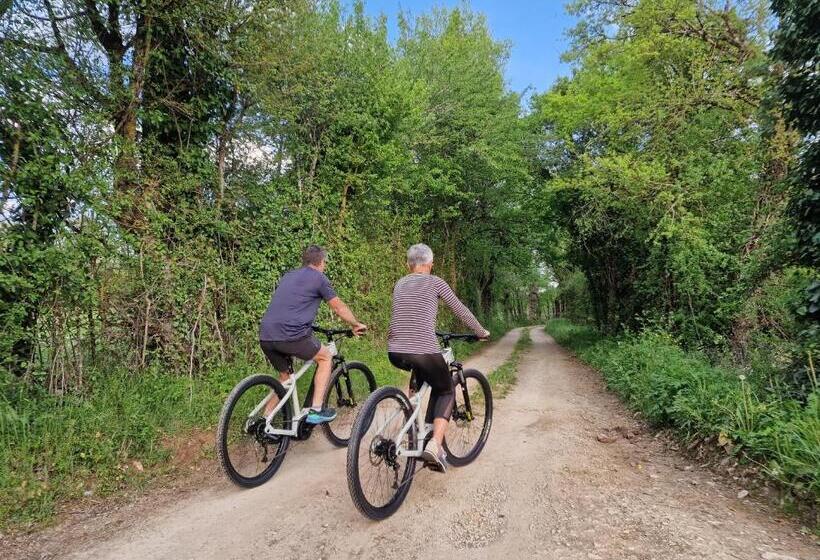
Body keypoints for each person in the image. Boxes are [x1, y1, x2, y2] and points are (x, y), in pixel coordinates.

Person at [387, 243, 490, 472]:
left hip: (394, 351)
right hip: (422, 349)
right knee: (446, 389)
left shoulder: (400, 283)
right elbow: (460, 309)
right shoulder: (435, 282)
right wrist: (480, 331)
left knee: (424, 372)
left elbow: (406, 314)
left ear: (409, 265)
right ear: (430, 264)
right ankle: (434, 445)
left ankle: (413, 427)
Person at [259, 245, 367, 424]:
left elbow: (291, 304)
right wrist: (356, 324)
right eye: (325, 263)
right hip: (292, 334)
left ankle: (264, 419)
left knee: (285, 378)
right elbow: (338, 307)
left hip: (266, 333)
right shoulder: (319, 278)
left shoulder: (288, 276)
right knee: (325, 357)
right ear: (321, 262)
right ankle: (316, 410)